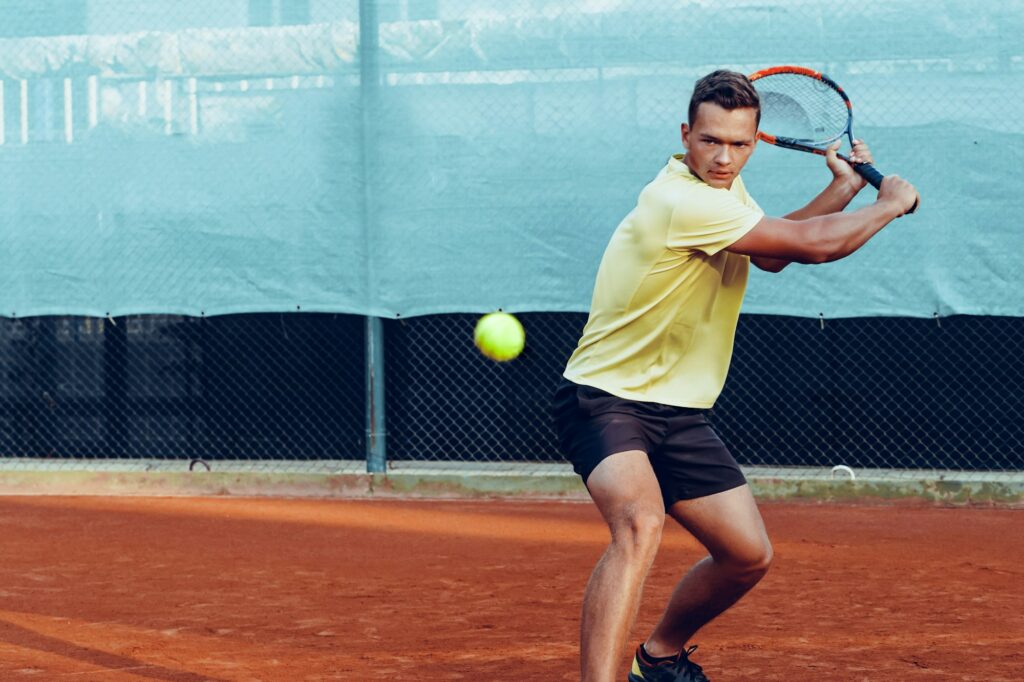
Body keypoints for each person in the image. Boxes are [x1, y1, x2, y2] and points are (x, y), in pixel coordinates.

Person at [551, 70, 919, 682]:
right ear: (685, 134)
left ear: (754, 142)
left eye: (739, 144)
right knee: (640, 524)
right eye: (710, 141)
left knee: (747, 556)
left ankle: (660, 658)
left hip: (678, 412)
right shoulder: (679, 199)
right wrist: (888, 203)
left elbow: (772, 252)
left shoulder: (724, 194)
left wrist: (847, 189)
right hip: (606, 400)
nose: (723, 157)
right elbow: (814, 248)